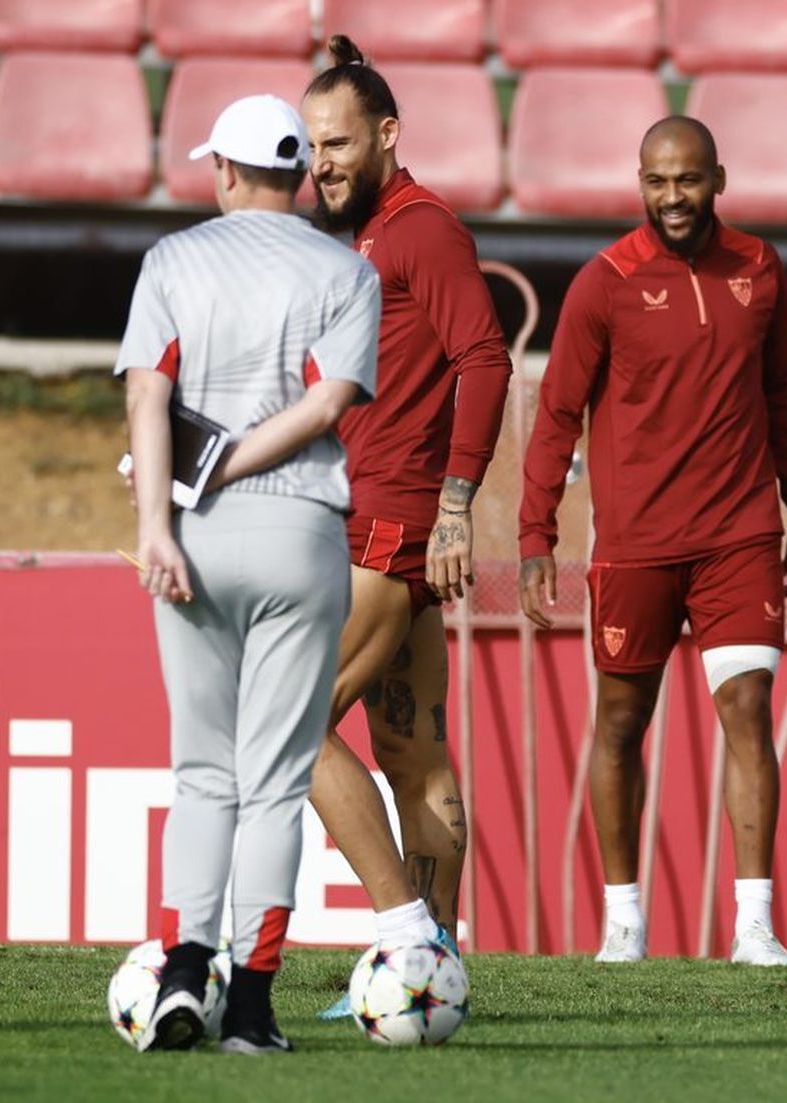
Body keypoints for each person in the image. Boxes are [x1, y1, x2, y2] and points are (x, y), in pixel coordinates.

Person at [519, 116, 787, 966]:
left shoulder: (760, 269)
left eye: (687, 180)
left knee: (748, 711)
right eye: (657, 181)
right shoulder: (606, 281)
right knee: (621, 725)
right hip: (636, 543)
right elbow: (557, 414)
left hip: (739, 535)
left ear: (718, 180)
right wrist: (536, 529)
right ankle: (625, 921)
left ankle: (754, 923)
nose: (673, 197)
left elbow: (785, 398)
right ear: (640, 183)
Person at [119, 94, 380, 1053]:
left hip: (193, 531)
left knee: (201, 773)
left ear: (224, 170)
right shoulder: (346, 267)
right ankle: (256, 1005)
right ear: (302, 174)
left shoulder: (172, 260)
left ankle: (185, 973)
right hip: (303, 531)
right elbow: (329, 405)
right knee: (273, 782)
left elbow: (149, 397)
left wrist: (160, 518)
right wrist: (235, 461)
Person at [298, 35, 512, 990]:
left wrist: (457, 507)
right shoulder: (365, 236)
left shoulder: (421, 229)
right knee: (412, 753)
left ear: (387, 134)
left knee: (288, 728)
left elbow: (486, 359)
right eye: (312, 147)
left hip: (385, 526)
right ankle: (439, 969)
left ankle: (405, 933)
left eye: (338, 143)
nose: (323, 163)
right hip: (384, 524)